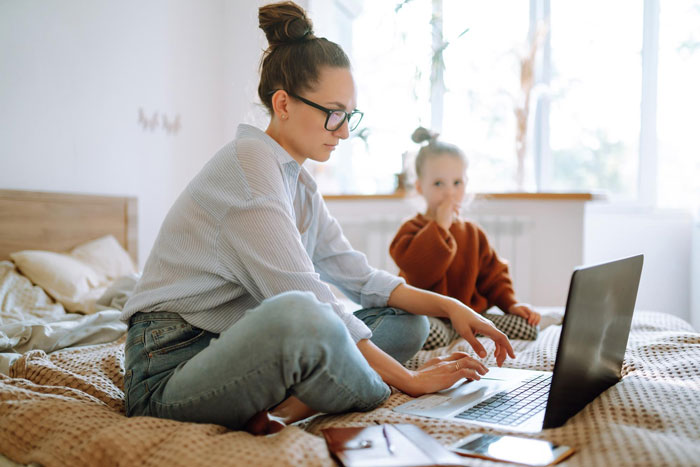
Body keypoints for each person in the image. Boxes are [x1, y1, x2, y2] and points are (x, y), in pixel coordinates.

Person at [120, 1, 515, 436]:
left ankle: (290, 407)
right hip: (169, 369)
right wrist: (411, 381)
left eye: (349, 115)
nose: (344, 131)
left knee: (407, 322)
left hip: (237, 350)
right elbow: (303, 297)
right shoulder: (249, 167)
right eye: (333, 113)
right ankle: (340, 390)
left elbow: (360, 278)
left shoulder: (297, 182)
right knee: (301, 313)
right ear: (283, 104)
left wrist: (449, 305)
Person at [390, 127, 541, 348]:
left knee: (527, 327)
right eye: (439, 184)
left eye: (457, 183)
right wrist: (440, 227)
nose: (450, 193)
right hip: (432, 317)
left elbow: (494, 276)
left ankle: (468, 331)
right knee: (427, 333)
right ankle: (456, 335)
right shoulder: (410, 230)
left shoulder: (473, 232)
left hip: (471, 315)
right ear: (420, 188)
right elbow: (419, 274)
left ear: (466, 184)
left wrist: (511, 304)